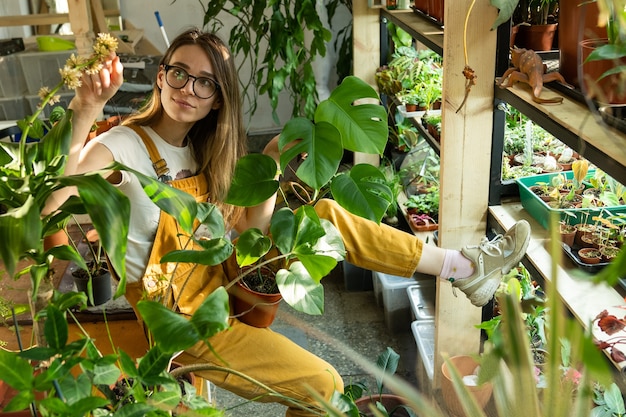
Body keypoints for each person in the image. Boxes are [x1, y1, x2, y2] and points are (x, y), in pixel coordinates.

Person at [62, 28, 530, 417]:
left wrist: (269, 165)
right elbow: (53, 202)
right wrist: (85, 111)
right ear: (161, 77)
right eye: (179, 74)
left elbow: (246, 235)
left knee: (324, 216)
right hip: (182, 321)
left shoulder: (205, 150)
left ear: (218, 100)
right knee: (322, 382)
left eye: (205, 83)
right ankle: (465, 271)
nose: (188, 89)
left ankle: (465, 269)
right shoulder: (124, 145)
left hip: (228, 281)